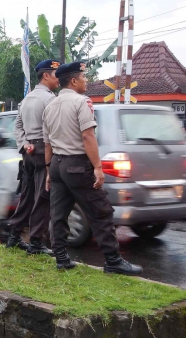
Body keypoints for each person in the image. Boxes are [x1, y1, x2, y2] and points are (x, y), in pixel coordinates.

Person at [43, 62, 142, 275]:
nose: (86, 80)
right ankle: (113, 260)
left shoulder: (50, 105)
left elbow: (48, 143)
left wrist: (49, 171)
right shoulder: (82, 102)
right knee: (100, 212)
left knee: (58, 214)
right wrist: (97, 167)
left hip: (58, 165)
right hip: (77, 165)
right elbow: (88, 136)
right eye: (84, 77)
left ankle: (61, 258)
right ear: (73, 80)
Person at [8, 59, 61, 255]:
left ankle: (14, 235)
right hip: (43, 151)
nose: (58, 79)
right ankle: (36, 242)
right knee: (42, 197)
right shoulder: (50, 100)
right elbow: (52, 130)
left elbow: (18, 126)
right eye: (56, 75)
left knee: (28, 196)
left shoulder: (27, 99)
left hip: (29, 152)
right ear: (46, 75)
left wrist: (24, 144)